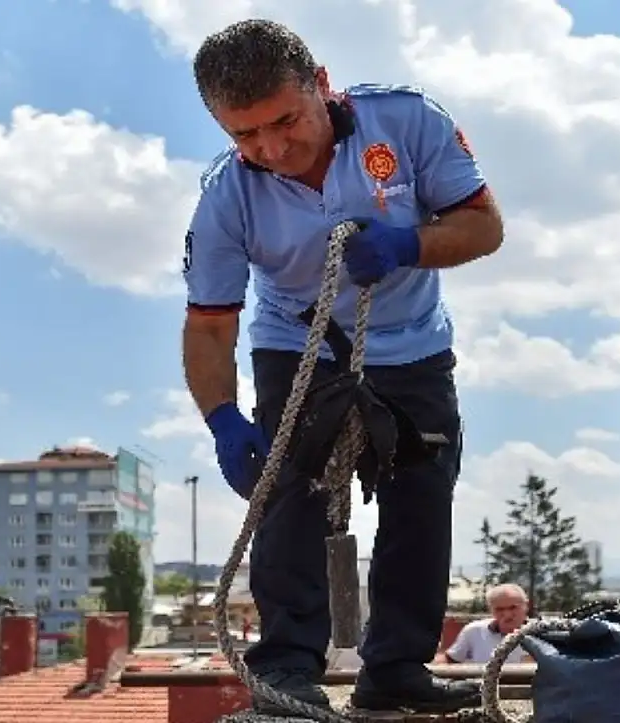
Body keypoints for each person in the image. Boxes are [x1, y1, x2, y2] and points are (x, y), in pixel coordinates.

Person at [180, 18, 505, 717]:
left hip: (412, 341)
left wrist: (408, 244)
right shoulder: (225, 194)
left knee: (421, 498)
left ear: (321, 86)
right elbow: (209, 324)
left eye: (284, 121)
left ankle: (396, 669)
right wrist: (223, 421)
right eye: (244, 135)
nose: (270, 148)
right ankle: (287, 671)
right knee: (291, 493)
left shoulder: (409, 121)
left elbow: (484, 225)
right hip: (297, 342)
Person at [435, 584, 532, 665]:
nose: (507, 615)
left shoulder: (543, 634)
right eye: (499, 609)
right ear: (491, 610)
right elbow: (451, 659)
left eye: (513, 608)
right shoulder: (474, 631)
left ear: (526, 606)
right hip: (484, 687)